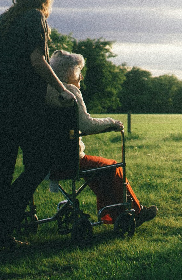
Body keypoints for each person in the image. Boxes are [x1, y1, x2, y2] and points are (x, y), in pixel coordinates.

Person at [0, 0, 75, 249]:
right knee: (38, 165)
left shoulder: (0, 22)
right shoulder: (35, 18)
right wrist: (61, 89)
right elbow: (38, 60)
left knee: (3, 170)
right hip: (21, 108)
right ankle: (6, 221)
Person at [45, 50, 157, 226]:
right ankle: (135, 211)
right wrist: (112, 123)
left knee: (100, 170)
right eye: (78, 71)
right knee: (112, 167)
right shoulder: (70, 91)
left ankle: (111, 214)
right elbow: (87, 125)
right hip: (70, 160)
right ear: (68, 72)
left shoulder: (46, 91)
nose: (81, 76)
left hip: (47, 160)